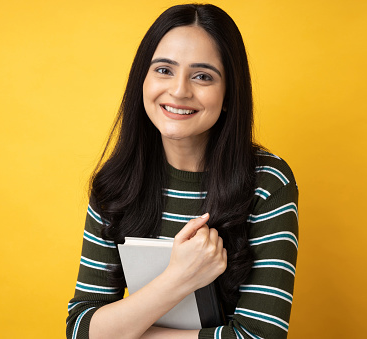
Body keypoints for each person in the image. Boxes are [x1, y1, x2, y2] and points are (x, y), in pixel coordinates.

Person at [66, 3, 298, 339]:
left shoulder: (266, 183)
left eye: (203, 76)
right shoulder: (116, 184)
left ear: (229, 92)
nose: (179, 91)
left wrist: (126, 331)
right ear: (141, 80)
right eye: (163, 70)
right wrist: (180, 279)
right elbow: (80, 328)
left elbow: (260, 336)